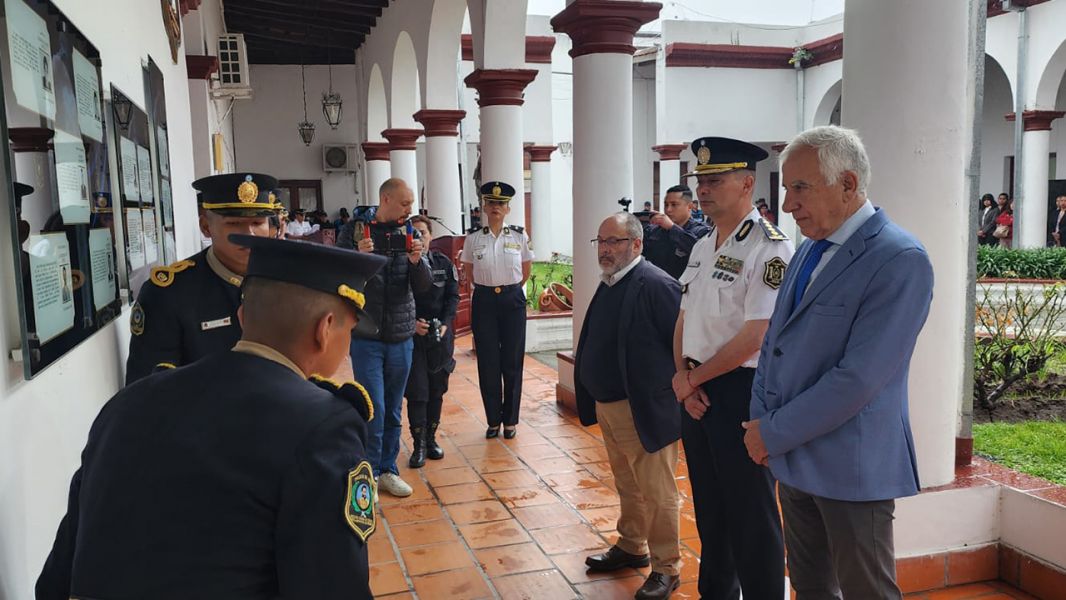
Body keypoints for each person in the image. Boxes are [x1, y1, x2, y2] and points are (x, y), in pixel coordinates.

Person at [36, 234, 387, 600]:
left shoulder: (128, 402)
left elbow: (57, 577)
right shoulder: (322, 428)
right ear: (325, 328)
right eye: (350, 329)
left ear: (241, 315)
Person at [745, 125, 934, 598]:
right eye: (788, 188)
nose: (788, 204)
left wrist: (771, 431)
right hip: (792, 455)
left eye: (800, 187)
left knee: (865, 590)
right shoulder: (808, 249)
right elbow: (774, 344)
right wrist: (761, 422)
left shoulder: (899, 259)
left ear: (848, 184)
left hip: (851, 464)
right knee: (810, 587)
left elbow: (859, 379)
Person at [671, 136, 793, 600]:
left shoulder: (769, 248)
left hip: (739, 391)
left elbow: (755, 335)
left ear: (747, 182)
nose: (703, 190)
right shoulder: (703, 245)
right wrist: (683, 376)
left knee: (751, 512)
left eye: (715, 180)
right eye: (700, 180)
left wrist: (692, 380)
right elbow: (685, 318)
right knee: (710, 508)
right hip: (696, 389)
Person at [576, 213, 683, 600]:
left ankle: (667, 567)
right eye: (601, 241)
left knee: (657, 492)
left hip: (643, 409)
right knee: (627, 484)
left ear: (636, 245)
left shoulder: (655, 284)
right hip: (610, 406)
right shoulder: (611, 281)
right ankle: (632, 545)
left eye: (614, 241)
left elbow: (681, 345)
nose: (605, 249)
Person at [125, 173, 280, 384]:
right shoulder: (168, 294)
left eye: (257, 222)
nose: (249, 234)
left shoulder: (288, 283)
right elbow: (146, 391)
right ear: (206, 227)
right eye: (234, 223)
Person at [337, 178, 431, 497]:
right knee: (373, 405)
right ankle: (370, 471)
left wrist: (418, 263)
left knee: (392, 408)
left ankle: (388, 468)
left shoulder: (411, 233)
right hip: (367, 334)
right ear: (386, 199)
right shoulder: (355, 231)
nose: (409, 209)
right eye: (404, 203)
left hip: (402, 336)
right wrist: (358, 258)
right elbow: (339, 280)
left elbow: (423, 286)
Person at [461, 181, 534, 439]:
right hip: (485, 302)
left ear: (508, 208)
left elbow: (525, 271)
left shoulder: (518, 235)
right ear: (484, 205)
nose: (495, 207)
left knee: (512, 361)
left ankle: (510, 421)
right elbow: (470, 273)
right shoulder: (473, 238)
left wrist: (509, 288)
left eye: (500, 204)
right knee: (489, 362)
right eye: (491, 202)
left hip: (512, 300)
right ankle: (493, 419)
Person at [404, 215, 460, 467]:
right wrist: (412, 324)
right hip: (413, 336)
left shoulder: (444, 263)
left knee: (436, 390)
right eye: (414, 233)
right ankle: (418, 446)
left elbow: (453, 297)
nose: (419, 238)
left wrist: (446, 323)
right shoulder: (402, 265)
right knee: (417, 392)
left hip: (440, 336)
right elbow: (397, 301)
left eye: (423, 233)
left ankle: (431, 439)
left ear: (431, 236)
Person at [642, 184, 712, 279]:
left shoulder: (702, 230)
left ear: (690, 206)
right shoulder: (654, 230)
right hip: (655, 285)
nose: (668, 210)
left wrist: (672, 228)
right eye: (666, 205)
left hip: (683, 288)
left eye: (674, 205)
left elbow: (700, 251)